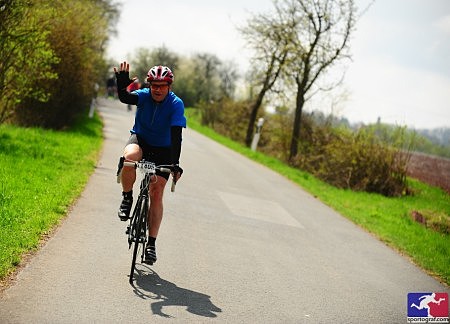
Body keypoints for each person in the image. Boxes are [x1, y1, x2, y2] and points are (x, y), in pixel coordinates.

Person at [114, 61, 186, 264]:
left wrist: (175, 163)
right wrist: (121, 84)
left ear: (169, 87)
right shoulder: (144, 95)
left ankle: (151, 244)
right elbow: (125, 97)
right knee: (128, 159)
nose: (157, 89)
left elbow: (176, 136)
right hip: (141, 140)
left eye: (162, 86)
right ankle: (127, 197)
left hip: (164, 149)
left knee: (156, 191)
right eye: (154, 84)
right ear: (150, 85)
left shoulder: (175, 104)